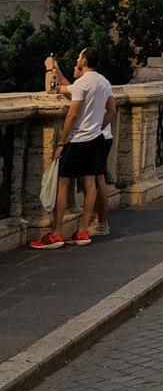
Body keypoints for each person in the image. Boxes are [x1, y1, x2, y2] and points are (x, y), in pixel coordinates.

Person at [31, 48, 113, 248]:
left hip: (77, 140)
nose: (77, 59)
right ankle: (83, 231)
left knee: (62, 185)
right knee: (90, 184)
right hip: (96, 138)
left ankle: (56, 233)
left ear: (84, 61)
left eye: (78, 57)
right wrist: (98, 126)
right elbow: (111, 110)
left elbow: (72, 114)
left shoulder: (83, 83)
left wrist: (62, 142)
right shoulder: (103, 81)